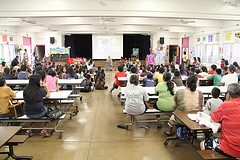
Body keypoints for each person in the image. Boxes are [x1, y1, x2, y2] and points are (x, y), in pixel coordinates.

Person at [200, 83, 240, 159]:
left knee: (203, 144)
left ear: (228, 95)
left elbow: (213, 119)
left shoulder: (226, 105)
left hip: (231, 148)